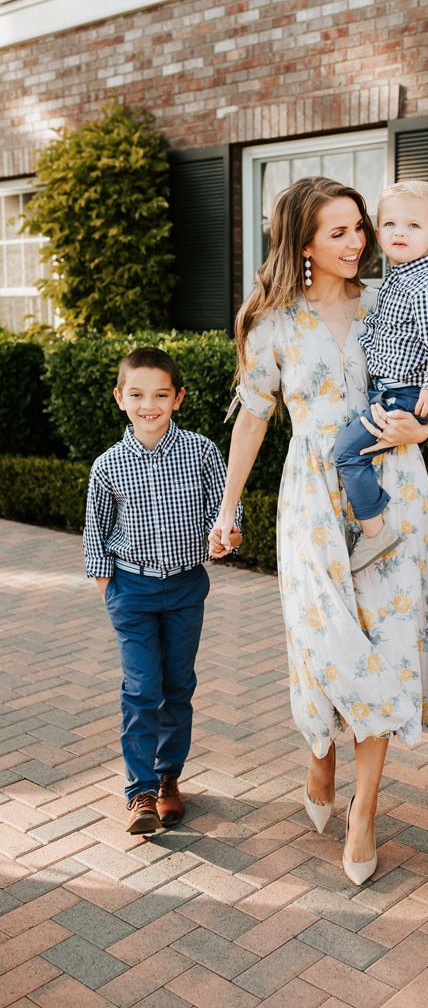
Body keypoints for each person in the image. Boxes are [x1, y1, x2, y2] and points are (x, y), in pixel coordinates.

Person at [210, 177, 428, 885]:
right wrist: (228, 509)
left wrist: (425, 424)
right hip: (312, 497)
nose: (358, 242)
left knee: (388, 642)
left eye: (359, 228)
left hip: (395, 488)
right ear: (303, 240)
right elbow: (253, 417)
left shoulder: (392, 299)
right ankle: (321, 745)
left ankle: (367, 808)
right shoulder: (273, 322)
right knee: (325, 641)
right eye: (339, 231)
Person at [83, 346, 243, 834]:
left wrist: (228, 536)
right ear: (119, 398)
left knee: (177, 687)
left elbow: (227, 513)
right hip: (131, 589)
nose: (147, 404)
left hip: (185, 589)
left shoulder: (201, 452)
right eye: (136, 394)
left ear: (178, 398)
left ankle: (168, 776)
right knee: (140, 689)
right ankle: (140, 794)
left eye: (159, 394)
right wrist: (110, 589)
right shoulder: (108, 466)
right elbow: (96, 536)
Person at [333, 180, 428, 574]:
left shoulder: (427, 285)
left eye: (413, 226)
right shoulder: (394, 282)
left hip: (401, 398)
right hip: (389, 392)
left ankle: (375, 533)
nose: (399, 232)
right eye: (390, 224)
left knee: (346, 453)